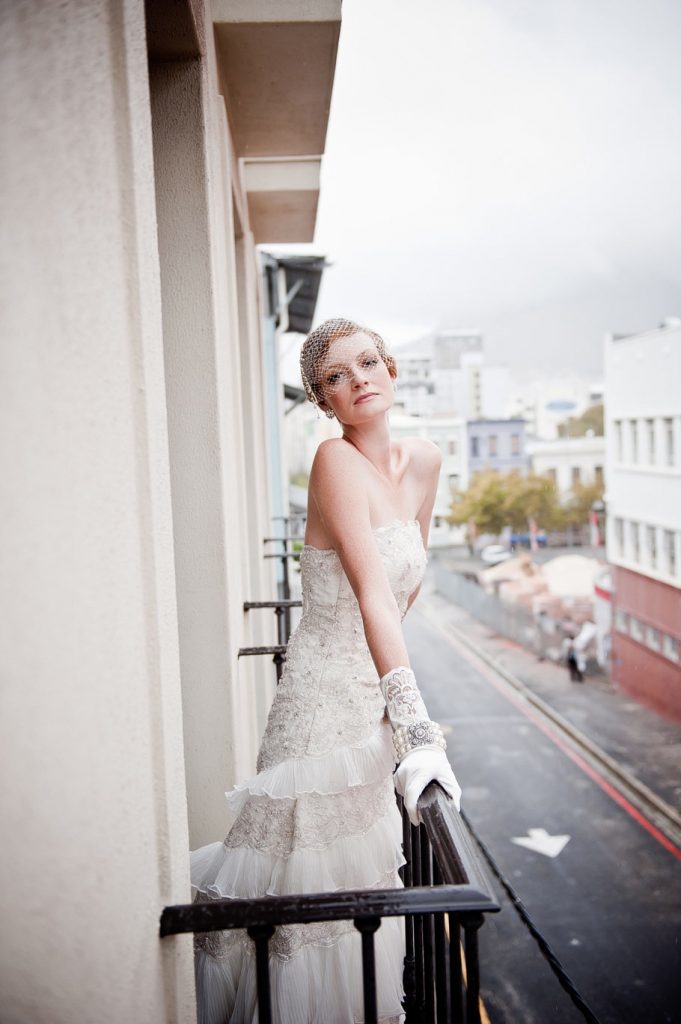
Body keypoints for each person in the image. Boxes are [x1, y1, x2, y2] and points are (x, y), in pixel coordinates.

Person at [190, 318, 462, 1024]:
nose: (358, 380)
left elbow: (406, 590)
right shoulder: (333, 462)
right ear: (323, 402)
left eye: (368, 363)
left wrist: (384, 711)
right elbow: (370, 589)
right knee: (301, 889)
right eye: (336, 377)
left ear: (392, 370)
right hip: (316, 713)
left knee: (353, 885)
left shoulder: (424, 462)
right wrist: (416, 727)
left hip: (361, 705)